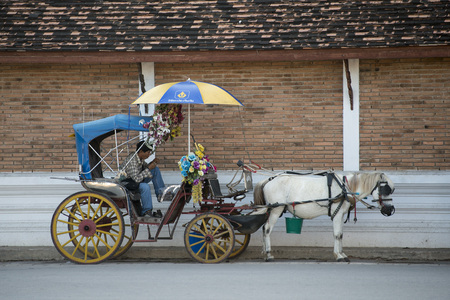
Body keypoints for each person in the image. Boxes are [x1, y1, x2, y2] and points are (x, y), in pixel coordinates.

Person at [121, 141, 165, 218]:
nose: (149, 154)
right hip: (129, 183)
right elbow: (136, 179)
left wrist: (152, 163)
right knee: (145, 186)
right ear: (141, 151)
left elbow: (145, 168)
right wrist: (149, 168)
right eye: (148, 152)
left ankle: (160, 193)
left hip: (136, 181)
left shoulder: (140, 158)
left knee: (155, 169)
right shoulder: (132, 160)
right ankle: (147, 211)